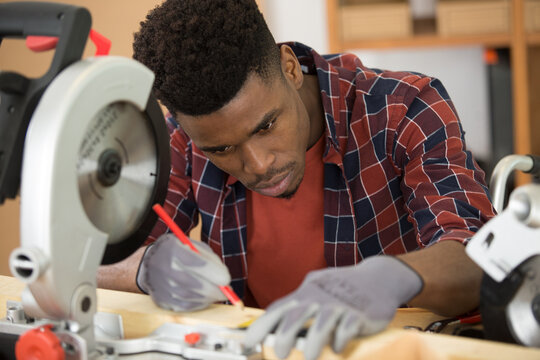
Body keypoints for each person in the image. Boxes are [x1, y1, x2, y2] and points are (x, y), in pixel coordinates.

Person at [97, 0, 496, 358]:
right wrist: (142, 267)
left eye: (266, 125)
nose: (257, 164)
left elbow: (480, 258)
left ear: (290, 68)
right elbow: (81, 258)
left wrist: (395, 278)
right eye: (221, 150)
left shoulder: (404, 109)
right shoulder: (183, 140)